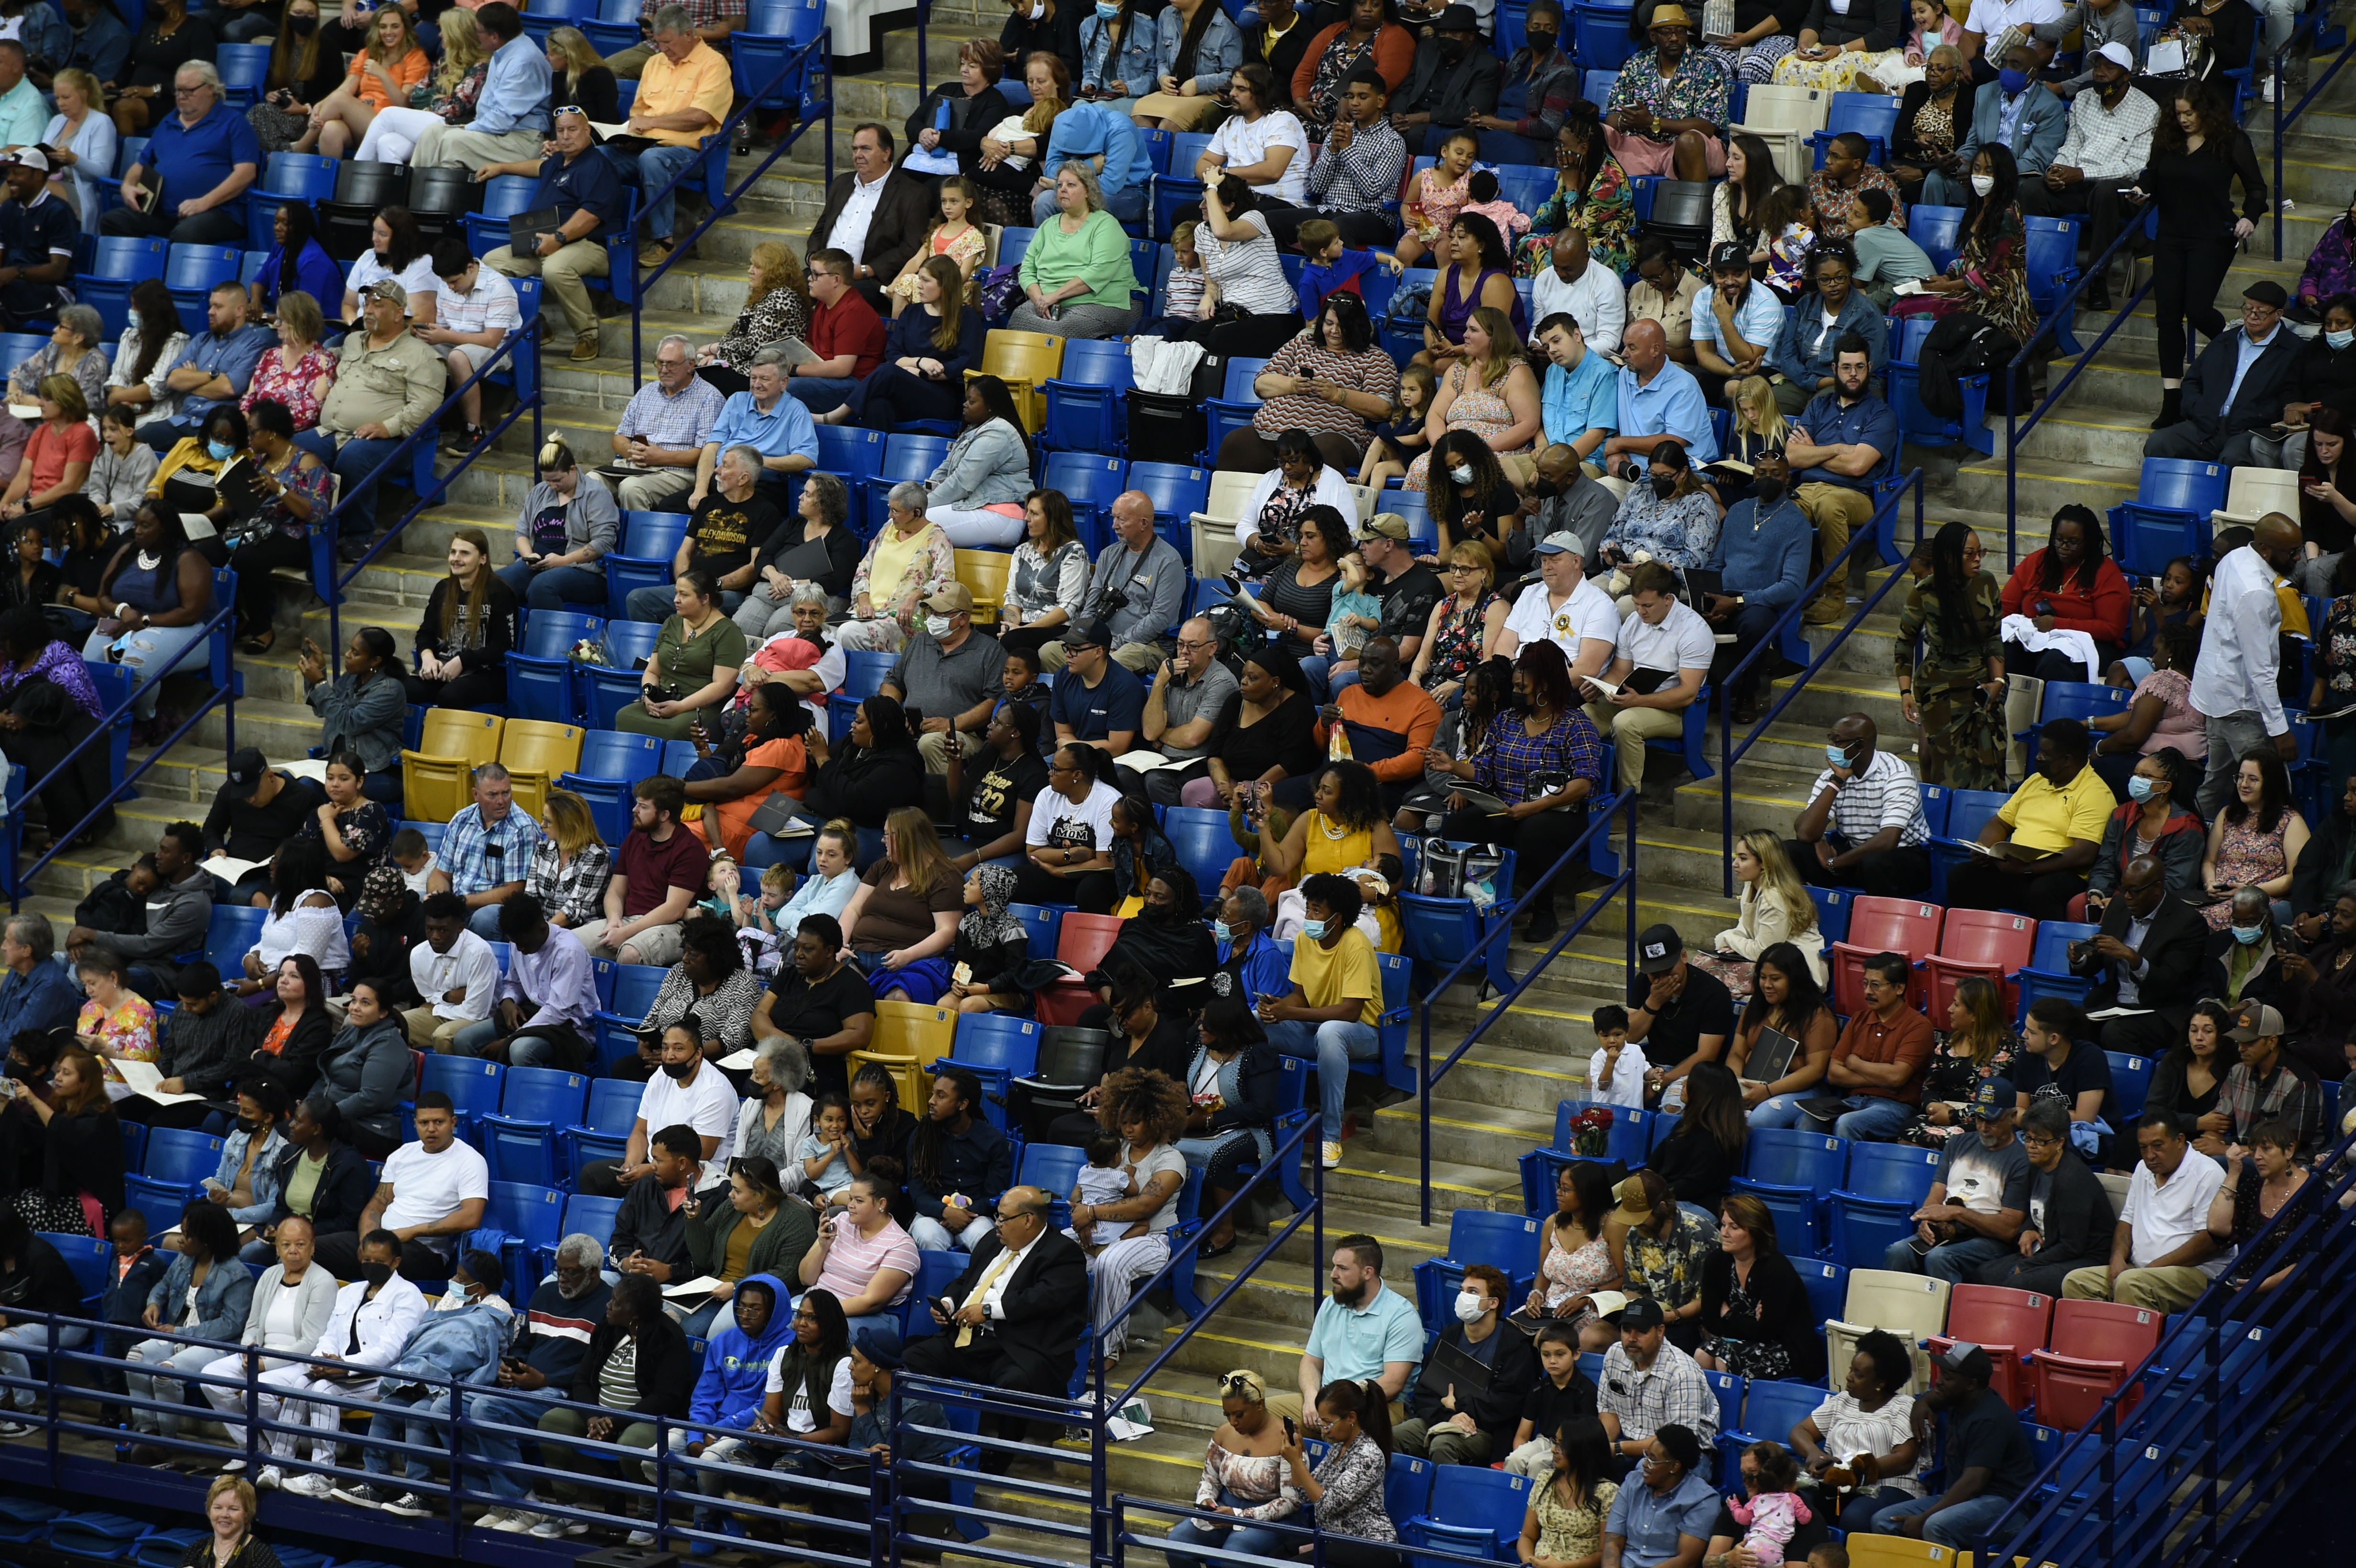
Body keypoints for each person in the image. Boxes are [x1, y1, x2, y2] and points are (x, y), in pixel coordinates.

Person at [902, 1185, 1089, 1444]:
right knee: (912, 1358)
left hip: (1018, 1347)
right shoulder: (992, 1240)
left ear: (1028, 1220)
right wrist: (949, 1303)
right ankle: (933, 1432)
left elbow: (1043, 1299)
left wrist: (989, 1311)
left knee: (1015, 1383)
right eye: (997, 1216)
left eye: (1003, 1218)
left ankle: (1004, 1450)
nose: (997, 1223)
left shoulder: (1063, 1253)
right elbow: (967, 1280)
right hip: (968, 1338)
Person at [2136, 82, 2269, 430]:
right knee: (2167, 318)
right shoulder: (2168, 139)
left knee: (2197, 310)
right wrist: (2141, 190)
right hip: (2171, 236)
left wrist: (2250, 217)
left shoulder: (2230, 140)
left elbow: (2257, 187)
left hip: (2212, 236)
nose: (2183, 120)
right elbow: (2152, 175)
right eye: (2178, 113)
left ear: (2205, 110)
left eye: (2190, 113)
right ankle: (2172, 400)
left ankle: (2239, 346)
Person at [300, 280, 443, 563]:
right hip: (334, 430)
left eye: (379, 305)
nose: (369, 310)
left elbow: (426, 407)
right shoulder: (353, 342)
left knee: (354, 457)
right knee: (293, 449)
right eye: (367, 304)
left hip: (393, 440)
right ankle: (301, 527)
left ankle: (359, 536)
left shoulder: (422, 355)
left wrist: (387, 427)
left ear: (399, 313)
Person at [479, 105, 626, 363]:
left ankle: (588, 334)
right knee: (492, 263)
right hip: (546, 242)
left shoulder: (597, 166)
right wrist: (501, 167)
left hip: (589, 245)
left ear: (587, 131)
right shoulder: (558, 161)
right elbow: (538, 167)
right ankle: (536, 324)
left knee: (557, 269)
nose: (566, 136)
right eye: (561, 131)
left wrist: (558, 239)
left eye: (573, 129)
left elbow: (591, 216)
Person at [2015, 42, 2152, 305]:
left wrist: (2082, 173)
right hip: (2077, 183)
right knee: (2031, 189)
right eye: (2098, 66)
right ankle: (2036, 272)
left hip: (2117, 190)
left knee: (2105, 192)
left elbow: (2135, 166)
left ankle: (2097, 279)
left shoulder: (2147, 110)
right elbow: (2072, 144)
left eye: (2109, 68)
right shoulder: (2084, 98)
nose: (2100, 73)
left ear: (2127, 75)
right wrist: (2057, 169)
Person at [1944, 719, 2116, 919]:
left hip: (2061, 874)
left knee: (2043, 891)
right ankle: (1971, 934)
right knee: (1962, 876)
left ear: (2067, 760)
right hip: (2017, 869)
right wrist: (1986, 848)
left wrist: (2027, 869)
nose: (2038, 757)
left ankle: (2042, 940)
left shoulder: (2095, 793)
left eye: (2045, 754)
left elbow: (2083, 854)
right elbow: (2000, 822)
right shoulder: (2036, 781)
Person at [119, 1198, 251, 1459]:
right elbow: (164, 1285)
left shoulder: (238, 1276)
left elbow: (231, 1325)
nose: (180, 1240)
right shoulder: (184, 1260)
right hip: (178, 1334)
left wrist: (180, 1334)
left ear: (207, 1240)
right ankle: (147, 1433)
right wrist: (154, 1303)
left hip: (216, 1345)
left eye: (187, 1235)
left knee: (166, 1375)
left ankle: (165, 1442)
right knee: (135, 1358)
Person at [2192, 513, 2303, 818]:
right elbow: (2259, 669)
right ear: (2266, 550)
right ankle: (2277, 846)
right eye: (2291, 552)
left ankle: (2193, 834)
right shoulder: (2256, 593)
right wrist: (2280, 731)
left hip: (2215, 696)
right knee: (2275, 790)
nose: (2298, 558)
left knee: (2216, 783)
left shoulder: (2235, 557)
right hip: (2241, 703)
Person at [314, 1093, 488, 1282]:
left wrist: (411, 1232)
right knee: (308, 1250)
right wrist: (368, 1241)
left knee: (378, 1264)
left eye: (439, 1122)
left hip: (424, 1251)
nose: (431, 1129)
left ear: (453, 1123)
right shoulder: (403, 1154)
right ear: (415, 1123)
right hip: (382, 1239)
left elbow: (471, 1217)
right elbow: (376, 1206)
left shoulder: (470, 1161)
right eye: (424, 1123)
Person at [2062, 1111, 2225, 1308]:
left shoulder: (2208, 1173)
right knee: (2076, 1282)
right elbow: (2127, 1220)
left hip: (2197, 1272)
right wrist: (2118, 1258)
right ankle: (2104, 1329)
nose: (2150, 1155)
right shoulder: (2143, 1169)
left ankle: (2128, 1328)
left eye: (2158, 1146)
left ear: (2180, 1140)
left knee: (2130, 1283)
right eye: (2143, 1148)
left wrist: (2152, 1269)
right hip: (2141, 1271)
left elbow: (2208, 1242)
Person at [1578, 563, 1712, 800]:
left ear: (1668, 599)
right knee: (1581, 718)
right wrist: (1600, 686)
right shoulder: (1634, 622)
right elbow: (1619, 672)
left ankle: (1629, 803)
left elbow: (1688, 693)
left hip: (1675, 709)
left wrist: (1639, 701)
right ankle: (1583, 794)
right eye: (1636, 604)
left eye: (1647, 606)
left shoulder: (1694, 631)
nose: (1641, 611)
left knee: (1626, 723)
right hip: (1634, 697)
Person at [1879, 1075, 2031, 1282]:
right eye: (1979, 1119)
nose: (1983, 1128)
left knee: (1940, 1258)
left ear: (2012, 1117)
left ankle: (1950, 1304)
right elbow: (1936, 1195)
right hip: (1948, 1229)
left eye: (1992, 1121)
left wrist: (1957, 1213)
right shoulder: (1957, 1144)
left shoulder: (2022, 1160)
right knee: (1897, 1251)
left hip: (1989, 1239)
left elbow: (2008, 1229)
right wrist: (1927, 1221)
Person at [1262, 1234, 1420, 1429]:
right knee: (1259, 1416)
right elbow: (1311, 1362)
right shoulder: (1330, 1305)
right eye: (1334, 1266)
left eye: (1343, 1268)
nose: (1333, 1274)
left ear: (1367, 1273)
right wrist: (1311, 1398)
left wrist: (1336, 1408)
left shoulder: (1401, 1315)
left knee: (1339, 1428)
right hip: (1327, 1401)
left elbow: (1393, 1383)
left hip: (1377, 1406)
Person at [101, 63, 257, 244]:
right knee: (113, 221)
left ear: (211, 89)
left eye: (189, 91)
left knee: (187, 233)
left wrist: (204, 203)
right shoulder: (169, 121)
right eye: (178, 90)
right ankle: (146, 263)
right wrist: (127, 186)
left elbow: (246, 173)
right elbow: (140, 165)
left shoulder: (234, 123)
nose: (182, 97)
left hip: (218, 211)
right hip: (166, 213)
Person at [2072, 852, 2210, 1057]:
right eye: (2124, 889)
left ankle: (2133, 1078)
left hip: (2160, 1011)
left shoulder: (2187, 922)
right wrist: (2080, 958)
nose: (2128, 897)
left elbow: (2171, 984)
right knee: (2069, 1022)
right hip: (2115, 1004)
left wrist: (2133, 959)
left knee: (2116, 1032)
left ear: (2157, 888)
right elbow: (2099, 959)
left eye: (2135, 891)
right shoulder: (2119, 907)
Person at [1163, 1369, 1303, 1568]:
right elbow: (1209, 1480)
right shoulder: (1223, 1433)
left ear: (1259, 1405)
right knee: (1177, 1543)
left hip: (1275, 1518)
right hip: (1225, 1508)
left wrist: (1239, 1516)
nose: (1233, 1422)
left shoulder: (1287, 1440)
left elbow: (1292, 1501)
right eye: (1227, 1414)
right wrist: (1207, 1501)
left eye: (1239, 1415)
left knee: (1234, 1556)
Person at [1978, 1099, 2116, 1294]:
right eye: (2028, 1138)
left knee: (2018, 1284)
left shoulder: (2072, 1180)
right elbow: (2034, 1208)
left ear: (2060, 1143)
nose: (2031, 1146)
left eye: (2041, 1141)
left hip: (2086, 1258)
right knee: (1983, 1274)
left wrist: (2029, 1265)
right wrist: (2028, 1229)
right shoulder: (2036, 1167)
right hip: (2052, 1248)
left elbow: (2073, 1246)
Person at [1272, 1380, 1405, 1568]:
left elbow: (1327, 1505)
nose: (1323, 1429)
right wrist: (1298, 1454)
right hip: (1338, 1540)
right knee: (1278, 1555)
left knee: (1296, 1565)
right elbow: (1304, 1495)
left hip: (1372, 1545)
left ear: (1351, 1418)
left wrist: (1296, 1462)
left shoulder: (1368, 1455)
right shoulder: (1337, 1449)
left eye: (1328, 1423)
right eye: (1321, 1421)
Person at [807, 122, 938, 311]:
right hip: (822, 272)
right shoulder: (842, 184)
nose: (858, 155)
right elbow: (820, 230)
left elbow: (910, 247)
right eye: (855, 149)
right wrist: (813, 259)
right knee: (785, 288)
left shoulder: (912, 194)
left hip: (869, 280)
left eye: (866, 149)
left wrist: (867, 270)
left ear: (886, 153)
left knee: (841, 298)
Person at [1803, 950, 1933, 1138]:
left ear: (1899, 988)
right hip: (1853, 1101)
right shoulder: (1859, 1020)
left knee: (1848, 1123)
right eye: (1865, 984)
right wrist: (1882, 1079)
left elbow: (1897, 1077)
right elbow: (1834, 1073)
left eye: (1876, 985)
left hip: (1895, 1106)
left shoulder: (1918, 1026)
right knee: (1809, 1119)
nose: (1868, 992)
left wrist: (1855, 1064)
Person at [1692, 1195, 1823, 1382]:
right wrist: (1749, 1323)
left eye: (1734, 1227)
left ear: (1756, 1232)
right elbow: (1710, 1319)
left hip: (1787, 1348)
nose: (1724, 1233)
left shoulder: (1776, 1269)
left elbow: (1766, 1332)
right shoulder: (1717, 1261)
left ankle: (1737, 1401)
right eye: (1724, 1225)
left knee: (1725, 1358)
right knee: (1702, 1354)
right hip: (1743, 1341)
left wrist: (1729, 1315)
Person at [1010, 162, 1142, 340]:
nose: (1063, 189)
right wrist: (1040, 300)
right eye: (1060, 185)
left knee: (1059, 332)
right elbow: (1027, 270)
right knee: (1018, 319)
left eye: (1071, 185)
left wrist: (1054, 296)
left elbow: (1099, 272)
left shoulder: (1106, 225)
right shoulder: (1048, 226)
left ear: (1088, 191)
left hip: (1103, 304)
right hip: (1049, 302)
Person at [1602, 321, 1717, 480]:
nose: (1624, 354)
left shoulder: (1684, 387)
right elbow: (1623, 426)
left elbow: (1673, 444)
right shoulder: (1625, 375)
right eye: (1625, 346)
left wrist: (1619, 444)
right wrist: (1617, 452)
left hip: (1680, 478)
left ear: (1655, 350)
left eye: (1632, 348)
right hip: (1635, 474)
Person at [2217, 1000, 2323, 1156]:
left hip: (2288, 1163)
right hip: (2244, 1151)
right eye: (2239, 1041)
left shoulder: (2300, 1082)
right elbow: (2218, 1121)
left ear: (2272, 1042)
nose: (2241, 1048)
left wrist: (2222, 1150)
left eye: (2249, 1042)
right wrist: (2210, 1140)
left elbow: (2287, 1148)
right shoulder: (2238, 1071)